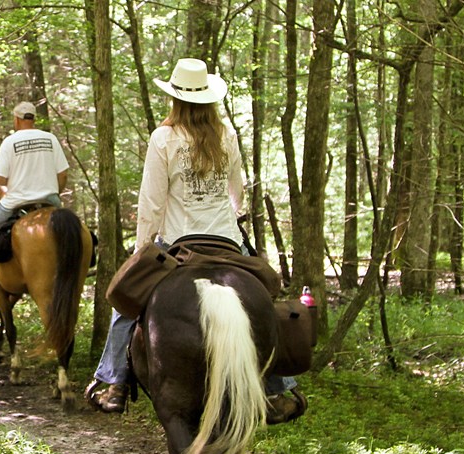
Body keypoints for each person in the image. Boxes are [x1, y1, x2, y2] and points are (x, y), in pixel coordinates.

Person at [86, 58, 306, 423]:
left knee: (125, 302)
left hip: (177, 244)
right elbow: (236, 194)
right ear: (209, 99)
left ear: (175, 98)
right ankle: (278, 387)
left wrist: (142, 250)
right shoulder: (227, 135)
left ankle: (113, 381)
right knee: (266, 296)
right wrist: (233, 216)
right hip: (227, 240)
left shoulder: (163, 138)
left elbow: (152, 203)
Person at [0, 102, 68, 296]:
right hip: (50, 200)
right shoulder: (50, 138)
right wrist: (53, 194)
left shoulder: (10, 142)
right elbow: (63, 175)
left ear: (16, 119)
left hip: (17, 201)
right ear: (33, 118)